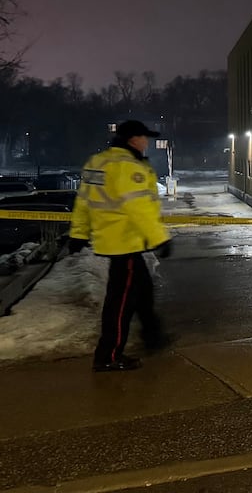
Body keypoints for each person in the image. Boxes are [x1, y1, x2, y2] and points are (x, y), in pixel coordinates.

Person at [68, 120, 173, 372]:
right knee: (120, 303)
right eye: (144, 137)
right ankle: (108, 355)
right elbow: (138, 208)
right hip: (125, 243)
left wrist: (79, 233)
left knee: (143, 291)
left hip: (114, 241)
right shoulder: (128, 167)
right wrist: (159, 238)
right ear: (133, 139)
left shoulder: (98, 162)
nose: (146, 142)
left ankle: (151, 335)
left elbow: (83, 201)